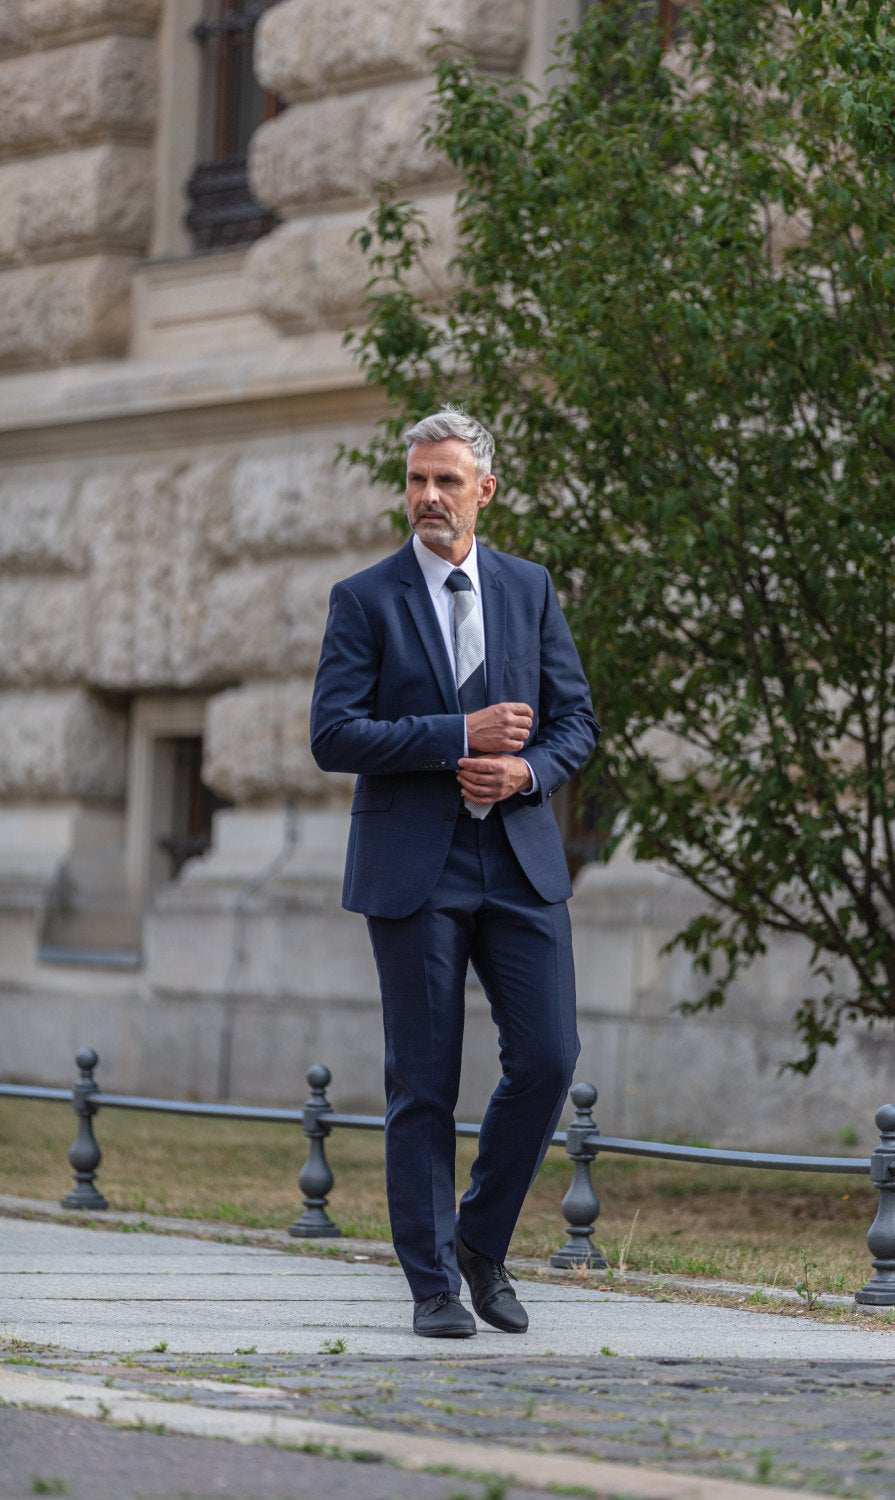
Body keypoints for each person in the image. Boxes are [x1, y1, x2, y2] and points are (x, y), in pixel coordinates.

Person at [310, 406, 599, 1338]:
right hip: (415, 868)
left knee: (551, 1056)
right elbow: (333, 732)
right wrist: (454, 739)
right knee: (424, 1082)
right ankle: (432, 1282)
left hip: (518, 858)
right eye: (416, 480)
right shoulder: (365, 597)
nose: (429, 497)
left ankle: (480, 1239)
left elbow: (576, 726)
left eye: (446, 480)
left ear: (486, 488)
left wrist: (524, 770)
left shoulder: (530, 587)